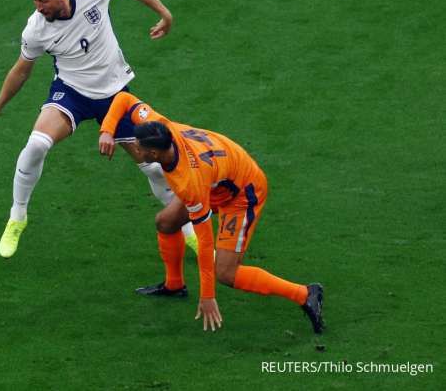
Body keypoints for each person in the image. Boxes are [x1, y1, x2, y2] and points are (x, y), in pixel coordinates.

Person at [0, 0, 198, 258]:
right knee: (36, 145)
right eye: (34, 1)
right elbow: (22, 70)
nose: (38, 7)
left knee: (155, 169)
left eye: (43, 0)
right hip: (72, 93)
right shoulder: (36, 29)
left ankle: (192, 234)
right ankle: (17, 217)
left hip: (115, 96)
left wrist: (165, 14)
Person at [98, 91, 324, 333]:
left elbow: (205, 242)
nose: (135, 149)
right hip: (219, 176)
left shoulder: (188, 182)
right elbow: (123, 98)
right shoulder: (160, 127)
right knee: (166, 222)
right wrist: (107, 131)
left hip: (242, 193)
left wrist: (207, 296)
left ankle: (305, 294)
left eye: (139, 147)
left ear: (153, 155)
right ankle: (174, 285)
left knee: (226, 273)